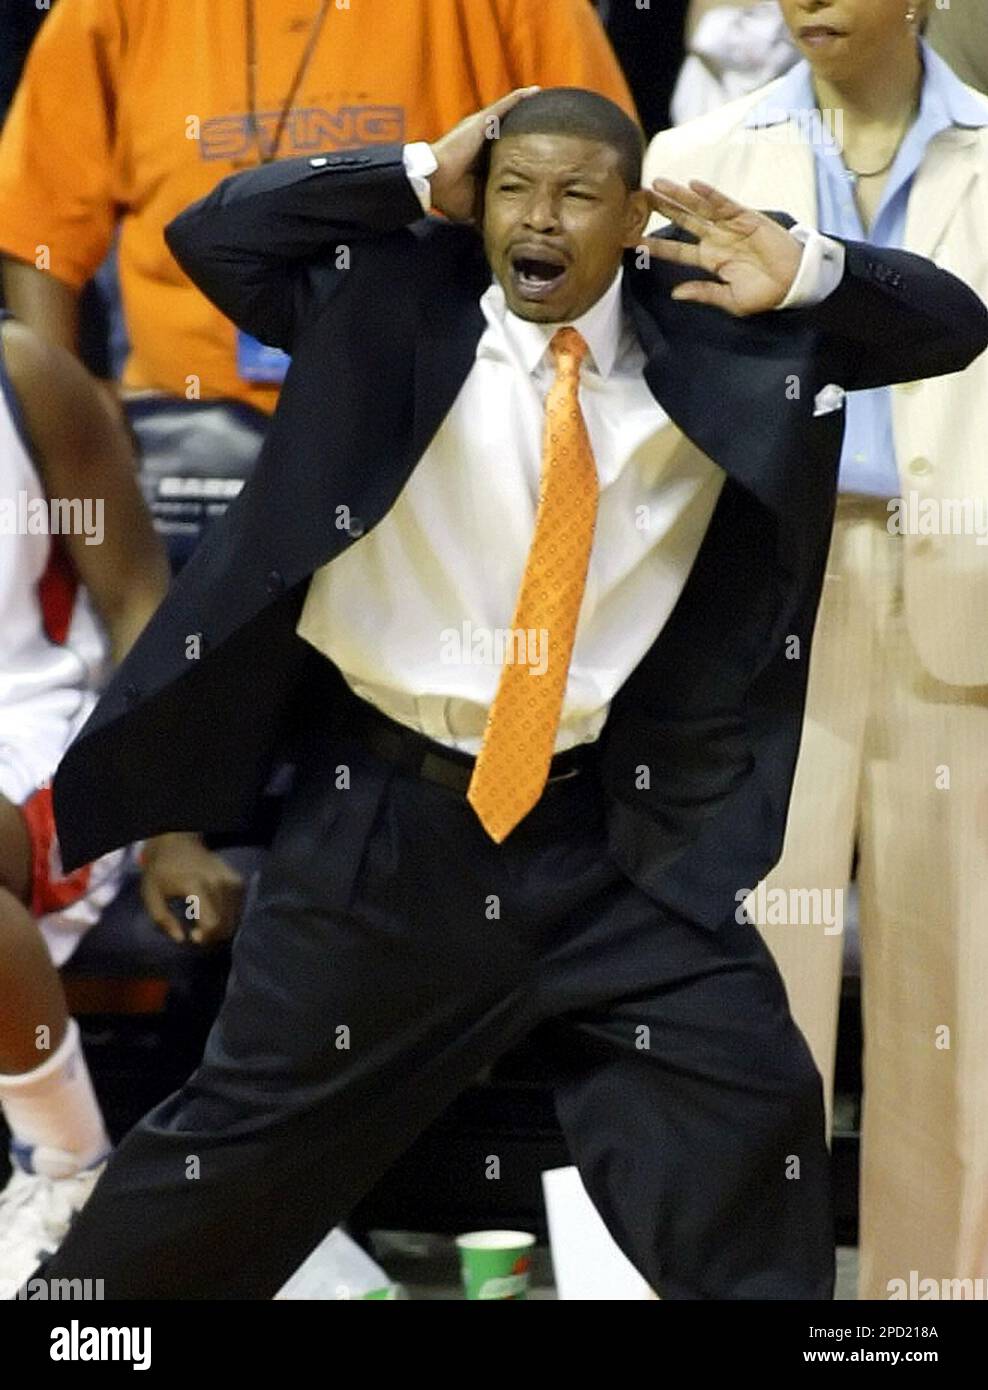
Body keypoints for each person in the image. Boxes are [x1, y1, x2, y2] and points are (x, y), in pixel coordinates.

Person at [31, 86, 987, 1300]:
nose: (540, 218)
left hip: (617, 847)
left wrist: (804, 269)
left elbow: (949, 327)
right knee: (225, 1166)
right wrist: (414, 167)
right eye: (516, 187)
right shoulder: (378, 298)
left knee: (750, 1139)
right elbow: (212, 233)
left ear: (636, 216)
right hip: (381, 830)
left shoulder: (724, 335)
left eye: (579, 195)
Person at [644, 0, 988, 1297]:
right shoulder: (702, 157)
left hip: (960, 585)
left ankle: (929, 1313)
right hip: (758, 598)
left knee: (955, 1006)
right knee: (745, 995)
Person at [0, 0, 634, 414]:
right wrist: (66, 418)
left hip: (438, 414)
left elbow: (603, 197)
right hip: (177, 432)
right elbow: (36, 223)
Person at [0, 313, 241, 1290]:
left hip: (33, 731)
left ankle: (66, 1168)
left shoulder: (27, 376)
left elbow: (143, 596)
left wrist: (169, 822)